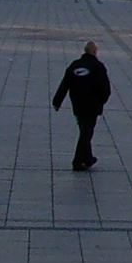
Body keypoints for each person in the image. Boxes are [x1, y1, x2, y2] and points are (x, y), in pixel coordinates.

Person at [52, 40, 111, 172]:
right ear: (94, 52)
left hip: (78, 104)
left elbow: (65, 83)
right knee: (86, 132)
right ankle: (77, 161)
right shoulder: (98, 66)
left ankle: (88, 159)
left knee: (84, 130)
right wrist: (102, 101)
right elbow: (105, 88)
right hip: (92, 106)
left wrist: (57, 101)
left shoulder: (75, 65)